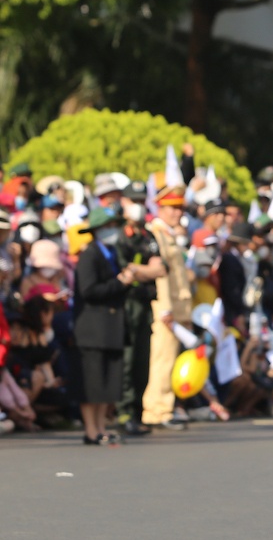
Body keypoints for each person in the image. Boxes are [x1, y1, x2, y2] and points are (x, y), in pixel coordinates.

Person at [73, 208, 133, 445]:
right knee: (92, 383)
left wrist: (124, 282)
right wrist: (118, 283)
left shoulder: (110, 252)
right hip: (93, 328)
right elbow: (88, 290)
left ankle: (100, 427)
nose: (112, 230)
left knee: (105, 384)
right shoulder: (90, 254)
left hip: (109, 328)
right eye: (108, 226)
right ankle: (91, 429)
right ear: (98, 230)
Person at [141, 185, 194, 431]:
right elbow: (161, 275)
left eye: (180, 208)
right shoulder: (157, 233)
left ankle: (166, 407)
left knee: (170, 359)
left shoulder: (170, 234)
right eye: (172, 208)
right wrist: (164, 308)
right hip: (167, 308)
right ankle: (156, 410)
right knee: (162, 359)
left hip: (179, 306)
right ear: (160, 208)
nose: (177, 213)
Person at [118, 187, 164, 436]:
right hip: (127, 303)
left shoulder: (148, 235)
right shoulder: (119, 236)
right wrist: (140, 269)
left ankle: (137, 411)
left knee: (142, 360)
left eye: (140, 201)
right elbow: (123, 269)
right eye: (132, 201)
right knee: (127, 359)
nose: (136, 205)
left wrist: (139, 270)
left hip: (145, 303)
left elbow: (160, 269)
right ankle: (124, 412)